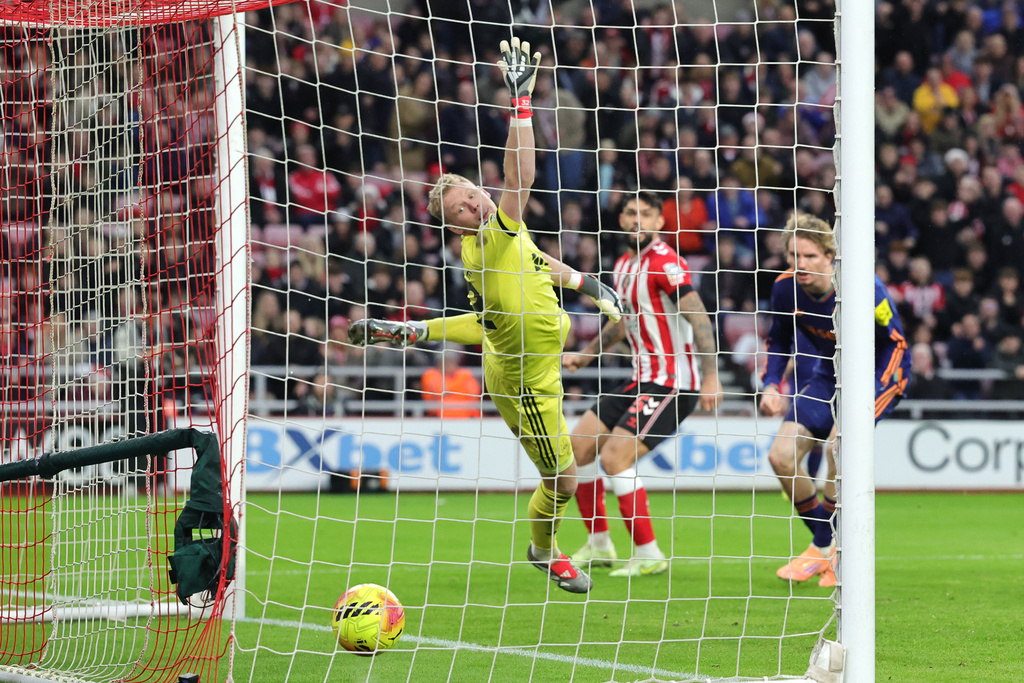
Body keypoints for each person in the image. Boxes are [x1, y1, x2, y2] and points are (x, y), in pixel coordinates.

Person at [347, 37, 622, 594]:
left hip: (534, 358)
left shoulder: (509, 241)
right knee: (564, 478)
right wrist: (522, 103)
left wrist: (588, 283)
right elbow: (520, 179)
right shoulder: (492, 239)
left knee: (567, 471)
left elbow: (539, 271)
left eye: (473, 194)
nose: (475, 204)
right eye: (462, 208)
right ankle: (544, 551)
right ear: (457, 226)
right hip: (523, 382)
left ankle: (549, 545)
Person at [562, 191, 723, 577]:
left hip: (673, 384)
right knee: (577, 450)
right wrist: (586, 354)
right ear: (621, 220)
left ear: (659, 222)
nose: (637, 220)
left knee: (614, 458)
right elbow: (622, 322)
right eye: (631, 213)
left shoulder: (666, 263)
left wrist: (712, 376)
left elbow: (699, 317)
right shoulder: (622, 265)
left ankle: (648, 553)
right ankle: (600, 544)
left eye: (645, 214)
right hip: (642, 380)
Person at [759, 214, 911, 588]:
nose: (801, 264)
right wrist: (771, 384)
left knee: (836, 448)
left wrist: (880, 387)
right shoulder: (784, 289)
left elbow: (895, 342)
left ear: (830, 256)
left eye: (810, 256)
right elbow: (778, 340)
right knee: (780, 455)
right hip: (829, 376)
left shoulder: (863, 287)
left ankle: (825, 546)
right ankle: (828, 548)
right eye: (794, 255)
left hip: (880, 377)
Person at [420, 344, 483, 418]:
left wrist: (449, 391)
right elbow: (431, 401)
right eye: (444, 361)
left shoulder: (465, 374)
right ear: (439, 363)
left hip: (467, 416)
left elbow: (474, 398)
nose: (448, 364)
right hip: (440, 416)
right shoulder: (431, 375)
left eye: (450, 361)